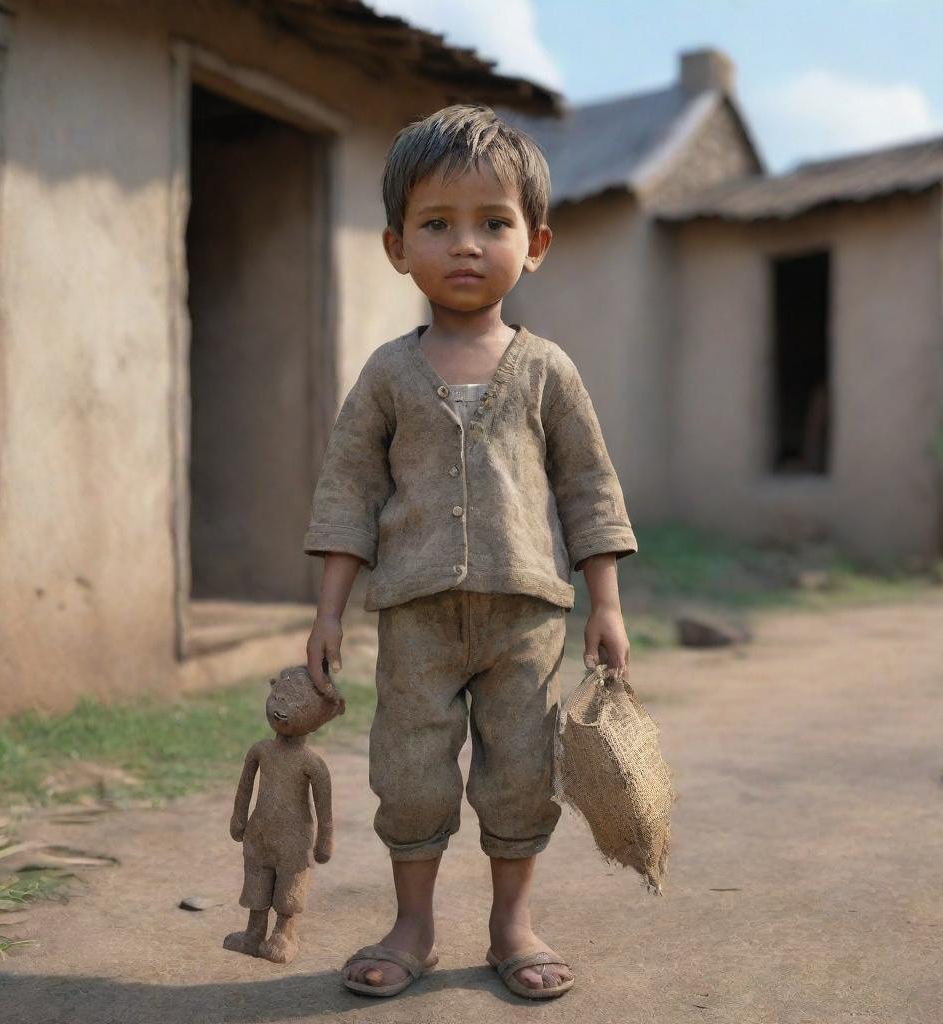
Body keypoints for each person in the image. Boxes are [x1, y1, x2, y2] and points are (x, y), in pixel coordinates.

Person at [302, 104, 638, 1000]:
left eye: (494, 222)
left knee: (522, 774)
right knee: (409, 774)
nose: (465, 244)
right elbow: (348, 493)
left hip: (526, 616)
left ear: (536, 244)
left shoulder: (547, 370)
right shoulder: (385, 374)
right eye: (436, 224)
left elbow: (588, 488)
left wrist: (605, 603)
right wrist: (329, 610)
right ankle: (412, 926)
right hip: (415, 616)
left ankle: (511, 923)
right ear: (393, 245)